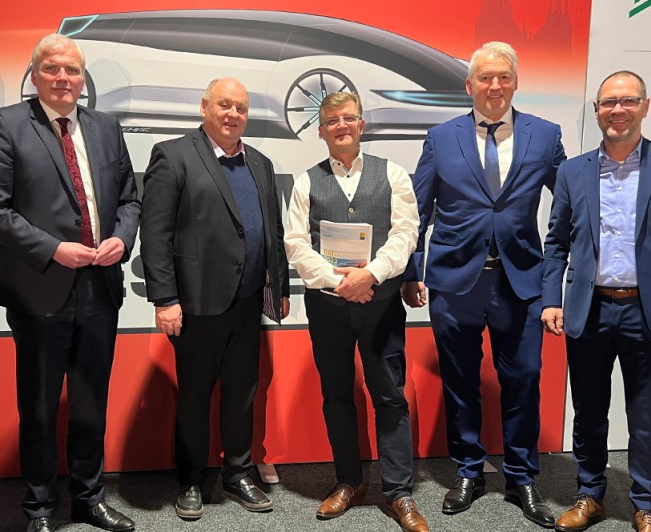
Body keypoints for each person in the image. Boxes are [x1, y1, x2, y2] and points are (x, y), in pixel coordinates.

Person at [0, 34, 140, 532]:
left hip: (99, 286)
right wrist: (53, 249)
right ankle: (40, 508)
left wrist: (121, 238)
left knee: (90, 403)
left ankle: (89, 498)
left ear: (83, 77)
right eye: (52, 68)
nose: (63, 78)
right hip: (39, 287)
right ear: (34, 74)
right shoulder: (6, 123)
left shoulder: (106, 127)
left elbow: (130, 198)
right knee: (40, 408)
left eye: (72, 70)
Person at [401, 41, 565, 527]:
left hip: (522, 281)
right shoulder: (441, 137)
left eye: (504, 77)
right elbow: (417, 211)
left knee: (524, 381)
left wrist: (560, 277)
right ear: (469, 85)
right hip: (454, 284)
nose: (495, 86)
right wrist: (412, 271)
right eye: (486, 78)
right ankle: (469, 471)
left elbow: (571, 203)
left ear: (516, 82)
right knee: (460, 383)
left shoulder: (545, 135)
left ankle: (522, 477)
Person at [542, 70, 651, 532]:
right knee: (588, 412)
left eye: (628, 101)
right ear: (597, 110)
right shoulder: (573, 171)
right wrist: (551, 299)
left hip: (649, 310)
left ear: (645, 106)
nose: (618, 110)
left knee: (647, 416)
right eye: (609, 103)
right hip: (589, 309)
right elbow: (556, 243)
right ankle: (589, 495)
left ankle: (646, 504)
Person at [140, 77, 290, 520]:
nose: (233, 115)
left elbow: (273, 230)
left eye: (241, 108)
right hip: (196, 304)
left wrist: (278, 287)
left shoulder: (260, 162)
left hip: (248, 302)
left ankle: (237, 472)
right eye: (224, 105)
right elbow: (156, 233)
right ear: (204, 107)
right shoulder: (173, 155)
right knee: (194, 395)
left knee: (242, 391)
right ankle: (190, 479)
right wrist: (164, 298)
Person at [284, 92, 427, 532]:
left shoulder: (394, 174)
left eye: (348, 118)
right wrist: (340, 283)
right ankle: (348, 482)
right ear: (321, 130)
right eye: (332, 120)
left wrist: (371, 276)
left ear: (361, 125)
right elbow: (296, 244)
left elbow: (406, 235)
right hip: (327, 308)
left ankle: (398, 492)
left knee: (390, 396)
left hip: (380, 305)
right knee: (336, 395)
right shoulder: (306, 182)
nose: (341, 126)